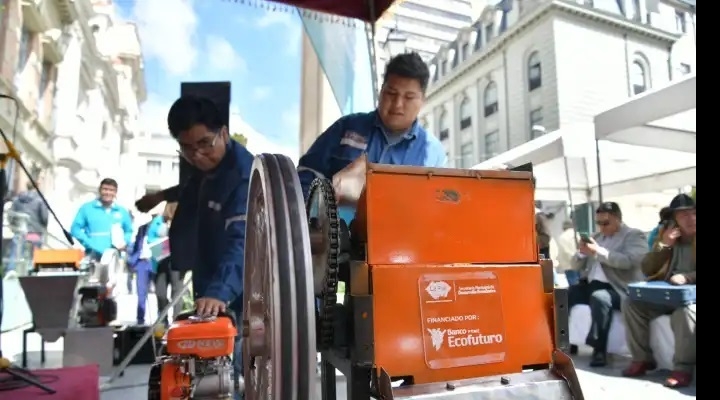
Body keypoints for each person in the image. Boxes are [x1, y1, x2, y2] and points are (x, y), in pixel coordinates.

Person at [135, 96, 252, 393]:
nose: (197, 155)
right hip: (208, 271)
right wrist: (161, 196)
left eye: (204, 144)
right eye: (187, 148)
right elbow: (189, 187)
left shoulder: (243, 177)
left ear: (223, 133)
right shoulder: (205, 164)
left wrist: (219, 292)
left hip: (239, 288)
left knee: (230, 367)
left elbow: (243, 241)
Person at [297, 52, 446, 204]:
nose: (397, 104)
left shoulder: (433, 154)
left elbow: (438, 208)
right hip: (334, 225)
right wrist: (322, 203)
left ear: (422, 100)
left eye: (408, 97)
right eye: (391, 93)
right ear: (381, 91)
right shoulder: (347, 128)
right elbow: (305, 174)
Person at [622, 194, 696, 388]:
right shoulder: (667, 237)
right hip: (668, 294)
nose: (691, 219)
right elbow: (647, 268)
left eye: (694, 213)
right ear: (675, 221)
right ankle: (642, 359)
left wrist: (688, 277)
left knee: (684, 313)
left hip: (691, 297)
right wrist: (664, 246)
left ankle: (683, 369)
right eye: (684, 215)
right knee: (631, 303)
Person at [567, 202, 647, 367]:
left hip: (618, 287)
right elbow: (574, 266)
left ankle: (599, 350)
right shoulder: (596, 238)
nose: (602, 227)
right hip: (592, 284)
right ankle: (565, 342)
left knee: (600, 298)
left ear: (618, 219)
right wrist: (582, 254)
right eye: (599, 223)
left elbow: (629, 261)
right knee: (565, 294)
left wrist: (599, 252)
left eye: (606, 223)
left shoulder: (634, 235)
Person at [71, 178, 133, 290]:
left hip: (114, 258)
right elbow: (75, 229)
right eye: (105, 189)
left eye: (111, 190)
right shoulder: (87, 208)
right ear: (100, 190)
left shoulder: (121, 211)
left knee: (111, 293)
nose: (108, 193)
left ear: (115, 192)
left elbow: (129, 231)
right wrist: (89, 243)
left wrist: (124, 241)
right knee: (91, 289)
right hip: (93, 257)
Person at [5, 181, 49, 276]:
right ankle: (34, 270)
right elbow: (44, 217)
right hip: (34, 232)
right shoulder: (40, 200)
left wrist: (14, 227)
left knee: (16, 251)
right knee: (35, 250)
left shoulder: (17, 199)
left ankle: (11, 270)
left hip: (20, 231)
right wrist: (43, 227)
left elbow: (11, 215)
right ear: (37, 186)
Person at [154, 203, 183, 326]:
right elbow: (150, 238)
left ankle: (177, 323)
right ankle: (162, 321)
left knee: (176, 293)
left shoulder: (184, 222)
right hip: (161, 261)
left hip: (177, 261)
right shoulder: (158, 221)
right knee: (160, 293)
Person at [127, 215, 159, 325]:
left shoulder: (162, 226)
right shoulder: (142, 228)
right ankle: (140, 319)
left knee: (160, 293)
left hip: (155, 261)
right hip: (141, 262)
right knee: (141, 292)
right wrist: (132, 260)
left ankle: (161, 319)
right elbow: (136, 244)